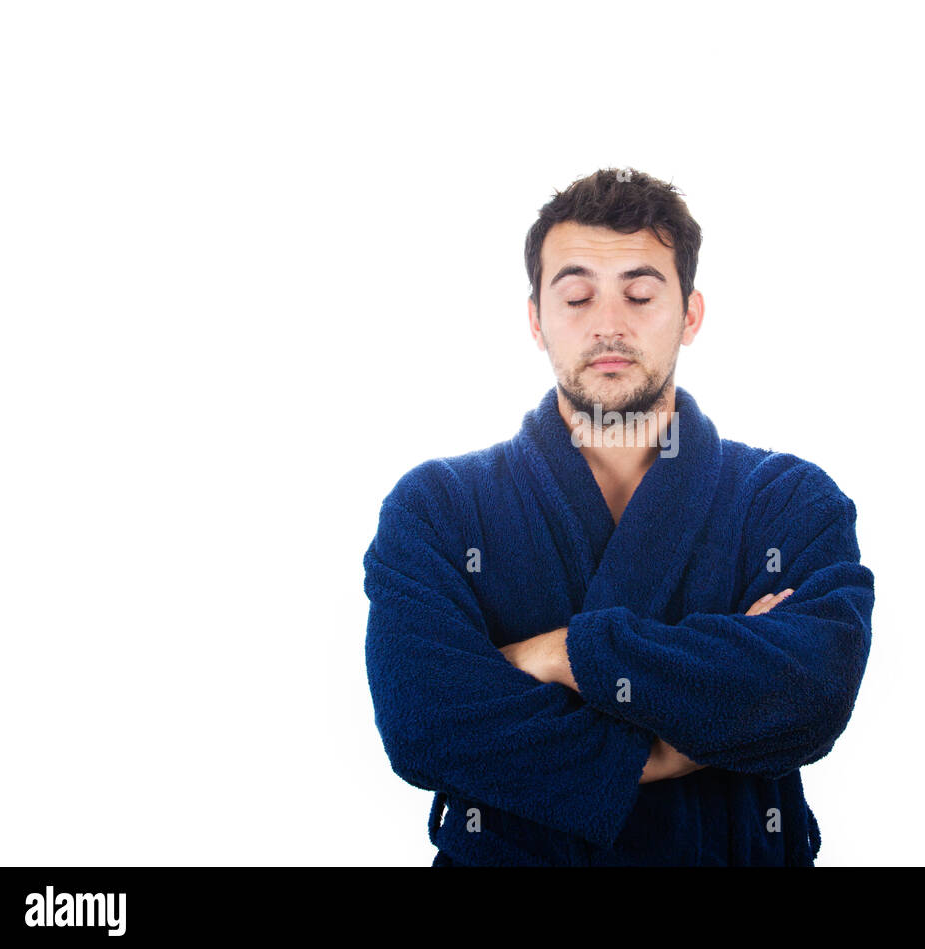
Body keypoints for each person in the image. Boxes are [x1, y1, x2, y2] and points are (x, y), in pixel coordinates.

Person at [363, 168, 875, 866]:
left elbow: (808, 694)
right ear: (536, 319)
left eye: (639, 294)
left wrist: (560, 653)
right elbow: (426, 722)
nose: (608, 324)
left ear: (691, 314)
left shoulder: (787, 501)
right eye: (576, 296)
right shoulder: (438, 509)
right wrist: (678, 743)